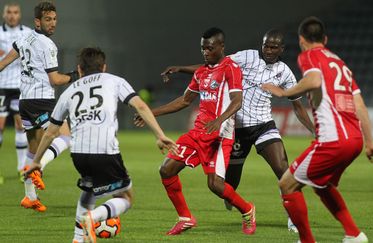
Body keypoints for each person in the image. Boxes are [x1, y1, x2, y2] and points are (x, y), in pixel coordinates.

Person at [158, 29, 315, 232]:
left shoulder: (284, 72)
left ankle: (293, 217)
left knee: (282, 167)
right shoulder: (247, 56)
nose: (268, 50)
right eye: (266, 45)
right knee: (226, 182)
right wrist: (182, 69)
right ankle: (234, 199)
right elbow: (215, 65)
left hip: (263, 126)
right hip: (236, 128)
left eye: (274, 47)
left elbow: (298, 106)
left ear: (282, 49)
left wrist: (313, 130)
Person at [24, 47, 178, 243]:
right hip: (104, 151)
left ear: (79, 69)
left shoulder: (69, 91)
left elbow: (51, 132)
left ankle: (78, 239)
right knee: (126, 198)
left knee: (88, 189)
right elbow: (139, 105)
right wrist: (160, 134)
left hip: (78, 154)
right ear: (104, 67)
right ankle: (93, 218)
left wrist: (37, 161)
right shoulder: (114, 81)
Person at [262, 16, 373, 243]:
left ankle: (307, 241)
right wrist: (370, 143)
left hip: (333, 140)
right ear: (325, 39)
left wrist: (283, 92)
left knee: (287, 184)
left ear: (301, 40)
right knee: (322, 184)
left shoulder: (309, 55)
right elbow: (360, 106)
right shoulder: (340, 64)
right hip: (355, 140)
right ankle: (354, 235)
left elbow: (314, 80)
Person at [152, 27, 256, 235]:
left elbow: (238, 100)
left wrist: (220, 120)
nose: (205, 52)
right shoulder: (201, 73)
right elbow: (184, 101)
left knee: (216, 186)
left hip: (220, 135)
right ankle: (185, 217)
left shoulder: (231, 68)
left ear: (221, 46)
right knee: (166, 169)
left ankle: (247, 210)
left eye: (209, 48)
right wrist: (151, 112)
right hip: (199, 133)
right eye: (203, 48)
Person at [0, 2, 76, 211]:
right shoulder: (48, 45)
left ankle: (30, 197)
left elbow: (3, 62)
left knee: (33, 149)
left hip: (24, 102)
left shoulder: (23, 38)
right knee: (66, 137)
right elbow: (55, 79)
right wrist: (74, 75)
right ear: (37, 21)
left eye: (54, 19)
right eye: (48, 19)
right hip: (42, 100)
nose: (52, 24)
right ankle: (38, 169)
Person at [0, 3, 31, 179]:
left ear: (19, 15)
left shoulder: (27, 33)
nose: (12, 16)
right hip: (1, 85)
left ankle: (21, 168)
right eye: (9, 13)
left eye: (15, 12)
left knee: (21, 126)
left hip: (20, 86)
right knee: (0, 127)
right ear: (4, 15)